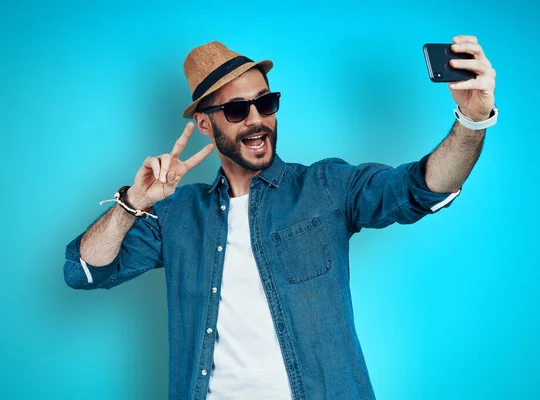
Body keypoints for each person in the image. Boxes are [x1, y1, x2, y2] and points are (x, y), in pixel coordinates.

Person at [63, 37, 497, 400]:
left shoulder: (325, 186)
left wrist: (473, 121)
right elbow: (84, 271)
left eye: (265, 103)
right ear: (204, 124)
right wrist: (133, 201)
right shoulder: (176, 215)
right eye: (236, 111)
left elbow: (419, 188)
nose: (256, 120)